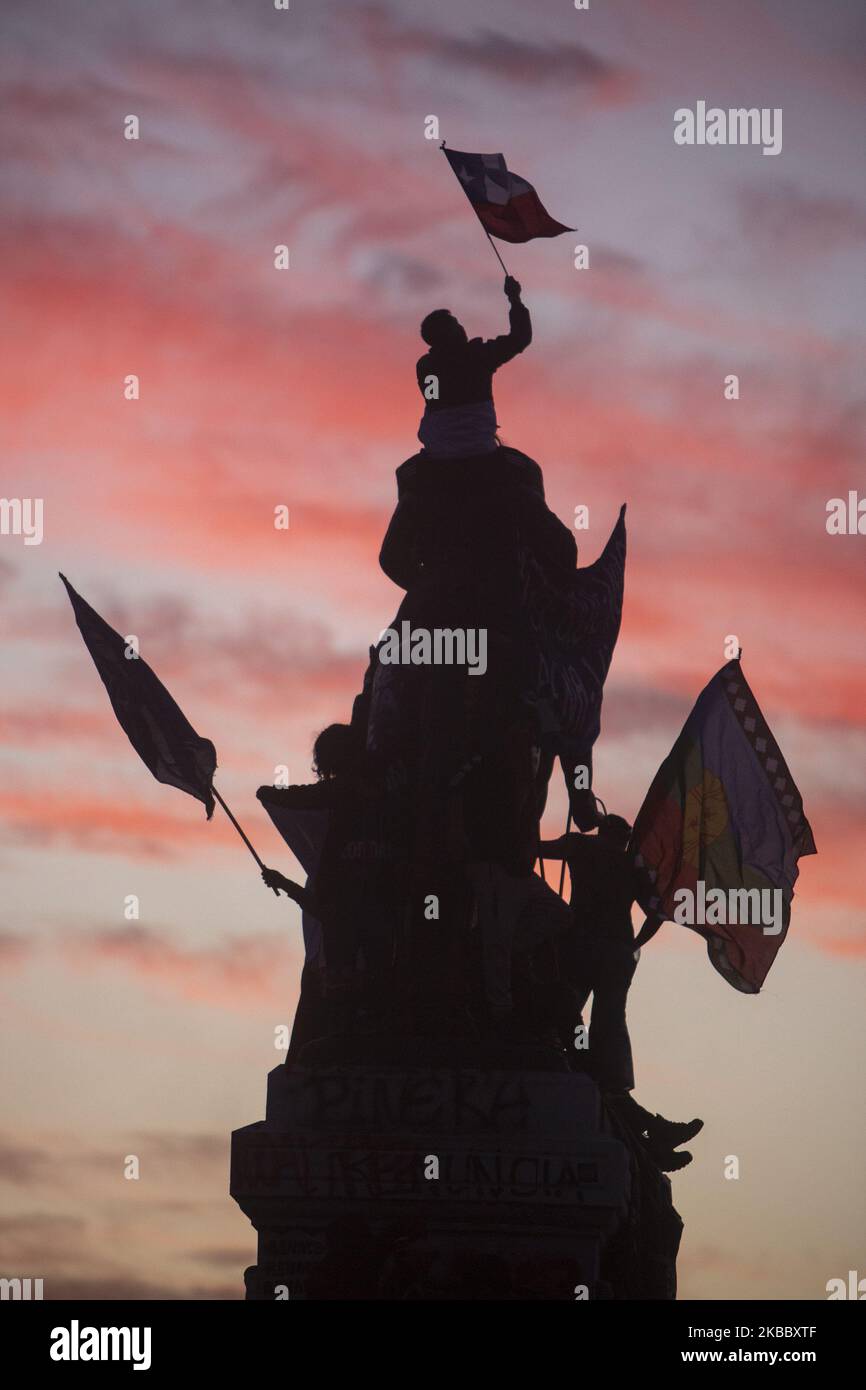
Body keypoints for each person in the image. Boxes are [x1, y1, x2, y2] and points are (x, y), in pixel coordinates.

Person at [539, 813, 703, 1171]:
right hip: (613, 951)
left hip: (580, 945)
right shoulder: (631, 863)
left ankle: (600, 1079)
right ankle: (610, 1087)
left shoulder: (580, 846)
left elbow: (533, 850)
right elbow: (658, 913)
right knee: (605, 1023)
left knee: (578, 1017)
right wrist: (634, 944)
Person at [416, 275, 531, 458]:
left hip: (437, 445)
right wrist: (514, 298)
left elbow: (433, 398)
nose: (462, 328)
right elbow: (520, 338)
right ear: (453, 332)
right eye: (456, 325)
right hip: (479, 444)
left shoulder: (425, 366)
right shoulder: (479, 356)